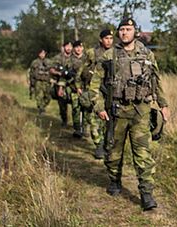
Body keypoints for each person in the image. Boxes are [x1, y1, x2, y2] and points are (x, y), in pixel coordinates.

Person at [91, 18, 170, 211]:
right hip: (117, 111)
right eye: (122, 29)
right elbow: (94, 84)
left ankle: (146, 194)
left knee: (143, 153)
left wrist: (163, 103)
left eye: (128, 29)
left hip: (141, 112)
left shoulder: (146, 54)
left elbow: (156, 80)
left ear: (135, 31)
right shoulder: (109, 56)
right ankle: (115, 181)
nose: (125, 32)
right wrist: (99, 106)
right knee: (114, 151)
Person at [81, 28, 115, 159]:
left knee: (109, 120)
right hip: (95, 90)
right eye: (106, 38)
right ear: (101, 39)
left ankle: (108, 144)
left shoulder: (115, 53)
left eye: (111, 38)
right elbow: (82, 70)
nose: (109, 41)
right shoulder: (91, 53)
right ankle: (98, 145)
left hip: (110, 91)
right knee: (94, 119)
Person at [49, 40, 86, 132]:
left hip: (85, 88)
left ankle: (84, 128)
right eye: (76, 47)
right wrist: (61, 87)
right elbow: (63, 76)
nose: (78, 49)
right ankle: (77, 128)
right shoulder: (69, 61)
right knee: (75, 108)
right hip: (72, 87)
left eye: (80, 47)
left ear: (83, 48)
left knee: (86, 108)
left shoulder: (87, 59)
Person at [28, 48, 50, 114]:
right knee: (39, 96)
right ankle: (41, 109)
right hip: (38, 81)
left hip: (46, 81)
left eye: (44, 53)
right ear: (39, 54)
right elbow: (31, 73)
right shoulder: (34, 62)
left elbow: (52, 71)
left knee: (48, 97)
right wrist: (32, 82)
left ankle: (43, 106)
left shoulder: (49, 62)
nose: (42, 55)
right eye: (41, 53)